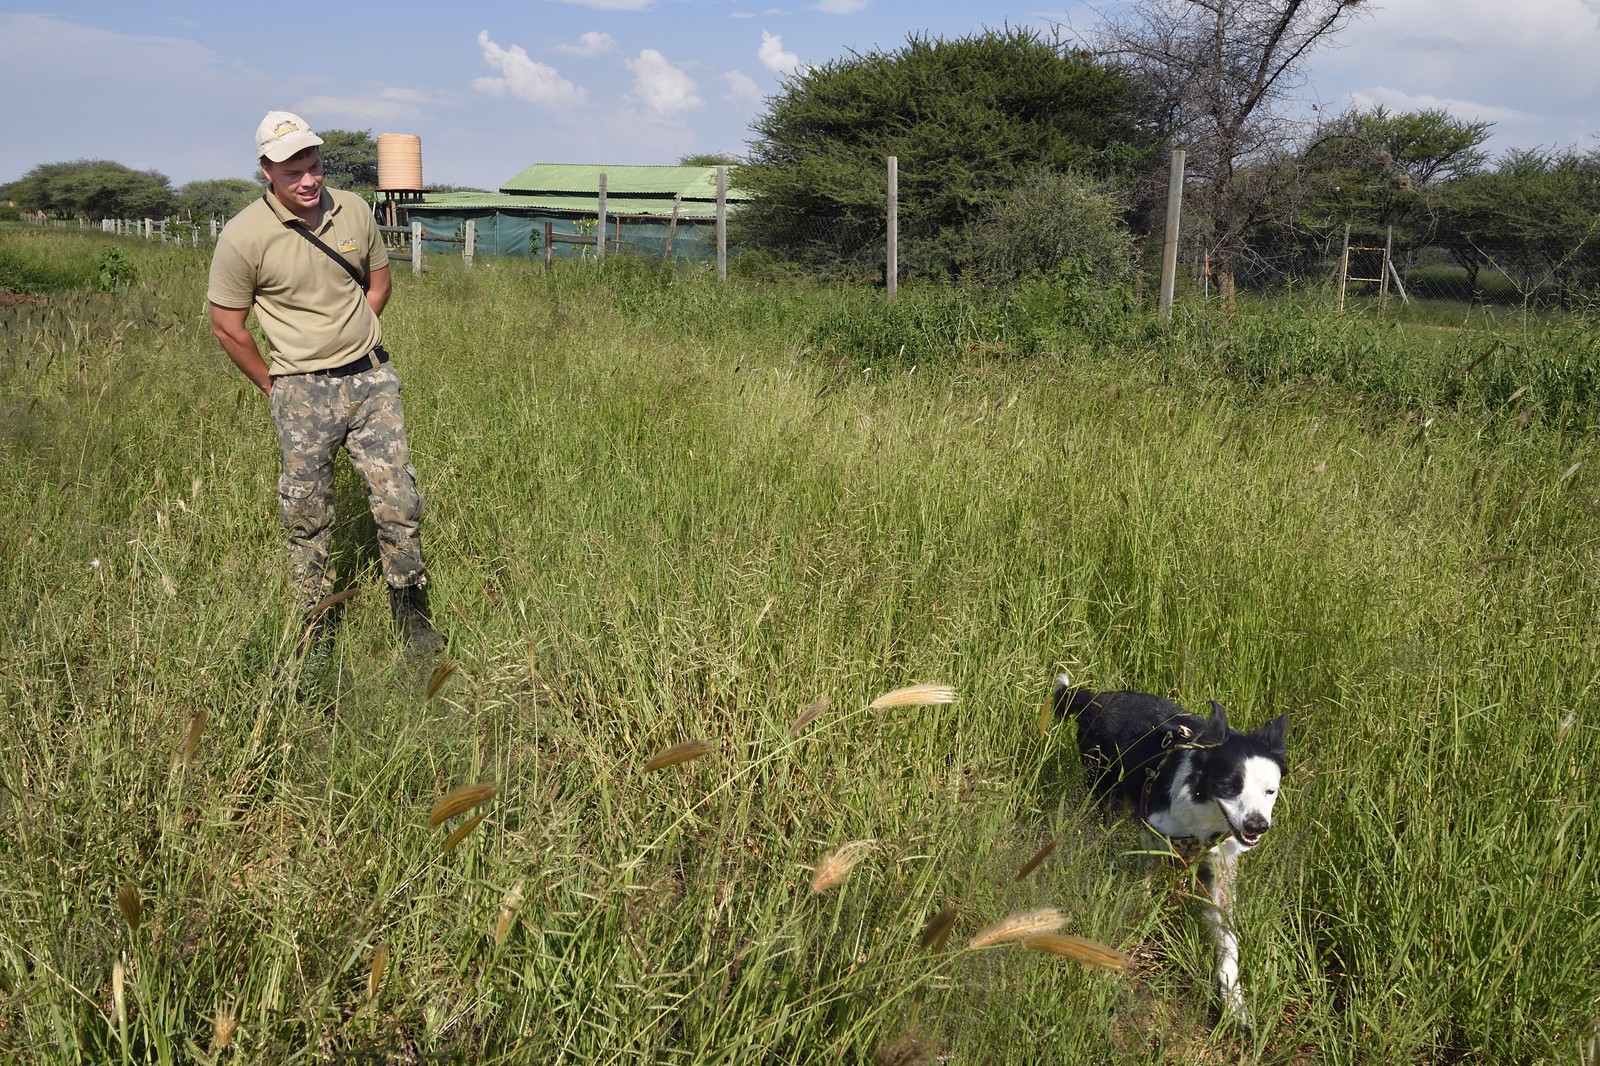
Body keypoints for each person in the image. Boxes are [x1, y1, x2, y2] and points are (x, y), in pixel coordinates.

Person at [208, 110, 443, 655]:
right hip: (301, 391)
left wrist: (354, 336)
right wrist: (277, 385)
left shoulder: (355, 210)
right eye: (292, 171)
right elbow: (228, 326)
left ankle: (411, 615)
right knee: (308, 512)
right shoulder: (244, 237)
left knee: (398, 500)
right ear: (266, 170)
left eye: (313, 166)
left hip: (371, 381)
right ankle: (316, 626)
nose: (308, 180)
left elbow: (378, 283)